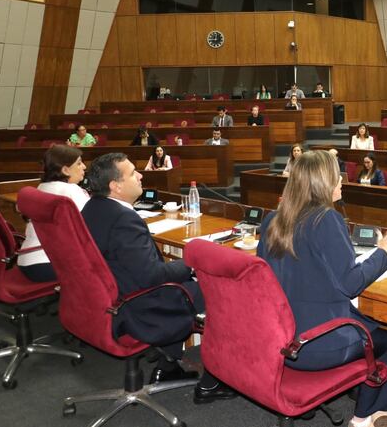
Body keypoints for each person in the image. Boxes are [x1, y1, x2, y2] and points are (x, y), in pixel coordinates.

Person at [257, 150, 387, 427]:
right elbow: (351, 285)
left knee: (369, 327)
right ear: (322, 182)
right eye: (336, 176)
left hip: (280, 340)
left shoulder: (273, 220)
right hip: (316, 343)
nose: (341, 181)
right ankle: (366, 416)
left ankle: (373, 403)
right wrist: (383, 252)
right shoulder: (325, 219)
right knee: (384, 341)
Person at [81, 153, 235, 401]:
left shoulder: (92, 208)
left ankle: (169, 365)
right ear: (116, 186)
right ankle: (214, 380)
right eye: (133, 172)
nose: (140, 175)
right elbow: (152, 275)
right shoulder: (123, 219)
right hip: (138, 308)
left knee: (182, 279)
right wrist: (191, 264)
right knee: (221, 291)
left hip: (110, 301)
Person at [17, 145, 90, 282]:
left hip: (27, 261)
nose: (84, 167)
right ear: (65, 170)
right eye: (79, 163)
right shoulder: (71, 191)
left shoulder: (42, 187)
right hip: (49, 264)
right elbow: (90, 227)